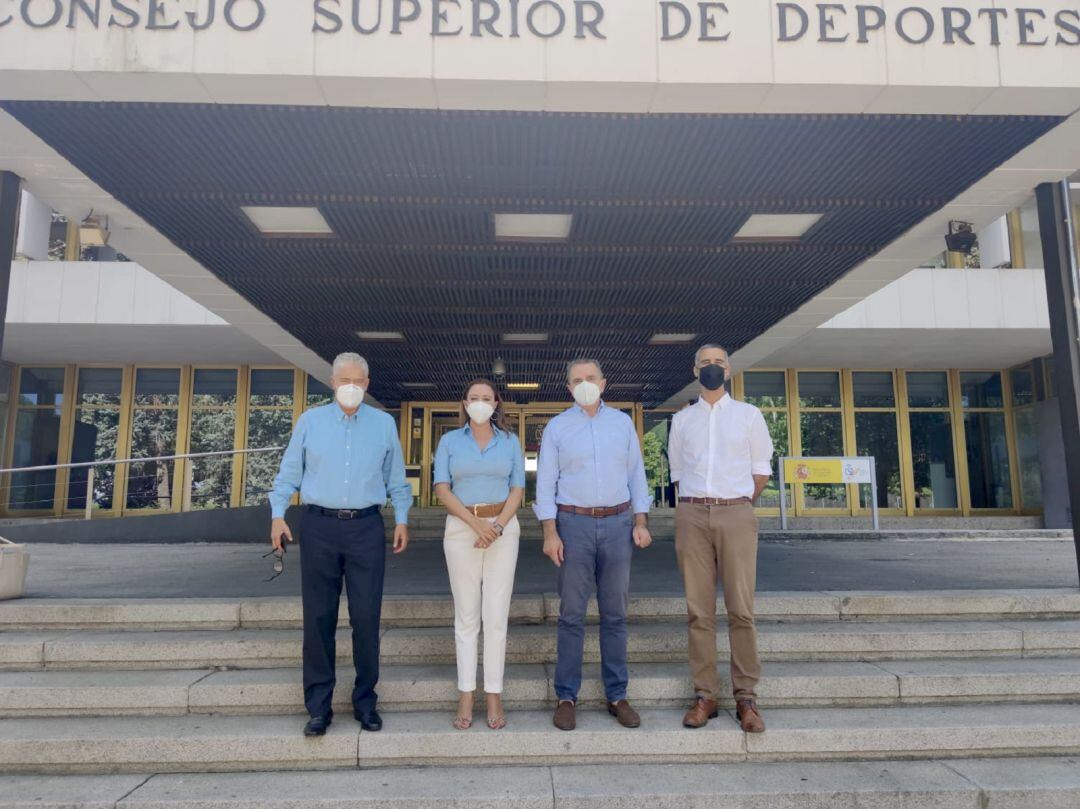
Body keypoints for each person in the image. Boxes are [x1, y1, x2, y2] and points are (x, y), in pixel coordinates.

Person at [269, 352, 411, 738]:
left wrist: (402, 518)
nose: (352, 387)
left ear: (367, 384)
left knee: (366, 618)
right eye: (344, 380)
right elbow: (288, 474)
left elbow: (396, 477)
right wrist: (278, 514)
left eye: (359, 381)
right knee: (318, 619)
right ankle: (318, 707)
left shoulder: (383, 424)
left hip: (366, 527)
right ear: (332, 383)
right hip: (318, 526)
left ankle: (366, 702)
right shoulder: (310, 422)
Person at [535, 358, 652, 732]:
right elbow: (546, 482)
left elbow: (637, 473)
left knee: (615, 614)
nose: (584, 384)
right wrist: (550, 532)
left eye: (591, 378)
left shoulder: (621, 423)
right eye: (577, 380)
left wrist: (641, 520)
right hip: (573, 524)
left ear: (604, 382)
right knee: (571, 615)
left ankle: (617, 695)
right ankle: (566, 697)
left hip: (618, 524)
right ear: (568, 388)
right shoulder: (557, 427)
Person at [668, 344, 773, 733]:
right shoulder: (682, 420)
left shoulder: (749, 416)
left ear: (728, 370)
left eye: (719, 362)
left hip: (736, 512)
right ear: (694, 370)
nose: (712, 367)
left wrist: (737, 504)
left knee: (741, 610)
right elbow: (678, 472)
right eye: (705, 362)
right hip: (693, 513)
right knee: (699, 611)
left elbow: (760, 471)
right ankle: (705, 696)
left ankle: (746, 697)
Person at [433, 379, 525, 731]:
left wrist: (497, 526)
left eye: (487, 398)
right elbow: (442, 488)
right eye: (474, 398)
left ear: (496, 403)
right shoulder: (449, 442)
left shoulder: (510, 441)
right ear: (465, 403)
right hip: (461, 529)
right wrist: (475, 524)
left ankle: (494, 694)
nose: (481, 403)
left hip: (503, 527)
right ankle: (466, 693)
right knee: (467, 616)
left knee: (497, 616)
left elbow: (518, 487)